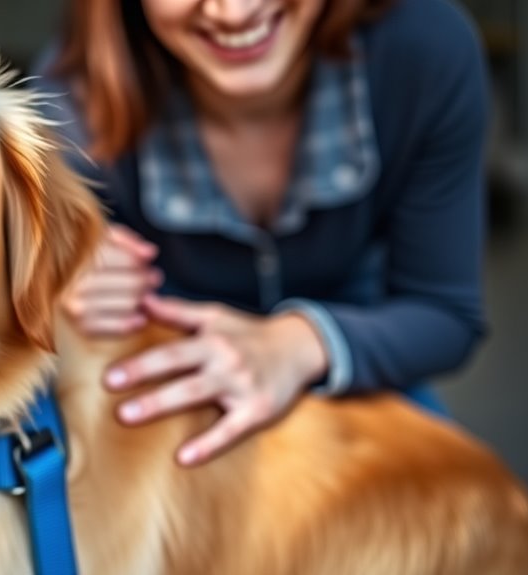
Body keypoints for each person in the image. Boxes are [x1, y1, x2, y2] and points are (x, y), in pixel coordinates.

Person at [33, 0, 488, 467]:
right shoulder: (70, 97)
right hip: (175, 372)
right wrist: (65, 277)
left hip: (359, 349)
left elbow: (444, 312)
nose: (234, 13)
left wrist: (295, 345)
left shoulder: (423, 47)